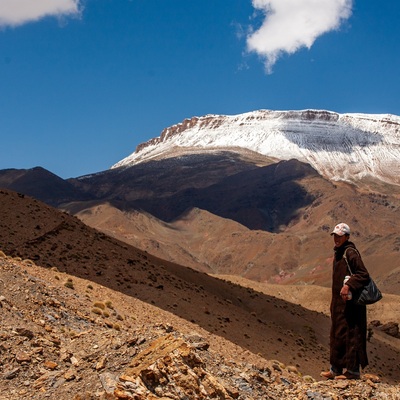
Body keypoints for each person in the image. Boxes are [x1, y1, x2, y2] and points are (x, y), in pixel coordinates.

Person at [321, 222, 370, 380]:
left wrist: (349, 285)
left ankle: (353, 371)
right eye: (335, 236)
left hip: (351, 304)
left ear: (347, 237)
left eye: (340, 236)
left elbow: (363, 274)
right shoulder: (339, 252)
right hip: (338, 304)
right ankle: (335, 369)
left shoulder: (350, 252)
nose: (336, 239)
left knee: (351, 335)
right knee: (337, 334)